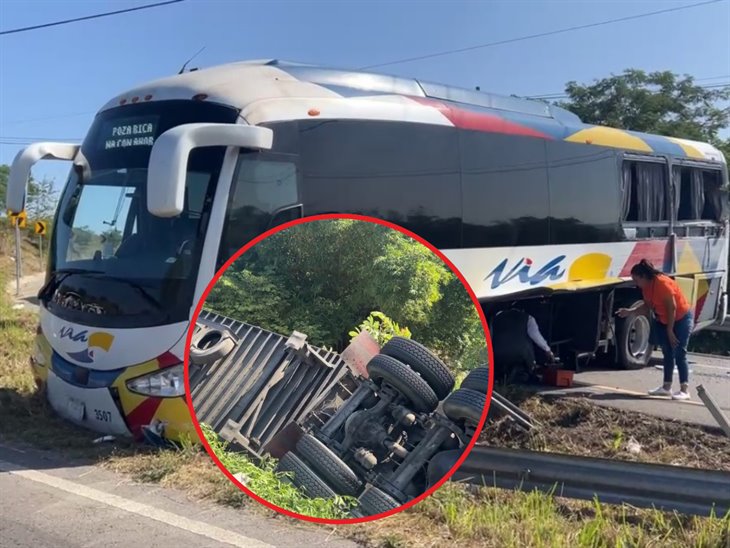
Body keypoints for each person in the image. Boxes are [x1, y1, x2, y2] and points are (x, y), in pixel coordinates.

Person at [616, 259, 693, 400]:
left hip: (680, 319)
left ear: (643, 276)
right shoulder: (646, 288)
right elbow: (647, 306)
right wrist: (630, 311)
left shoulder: (662, 284)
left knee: (679, 352)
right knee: (667, 353)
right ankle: (666, 387)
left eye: (636, 280)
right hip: (664, 320)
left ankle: (684, 390)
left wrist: (670, 330)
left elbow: (672, 308)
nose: (636, 284)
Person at [491, 306, 554, 382]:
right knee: (527, 342)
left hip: (497, 353)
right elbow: (536, 336)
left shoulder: (497, 317)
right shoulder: (528, 318)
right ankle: (531, 371)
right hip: (519, 354)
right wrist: (548, 350)